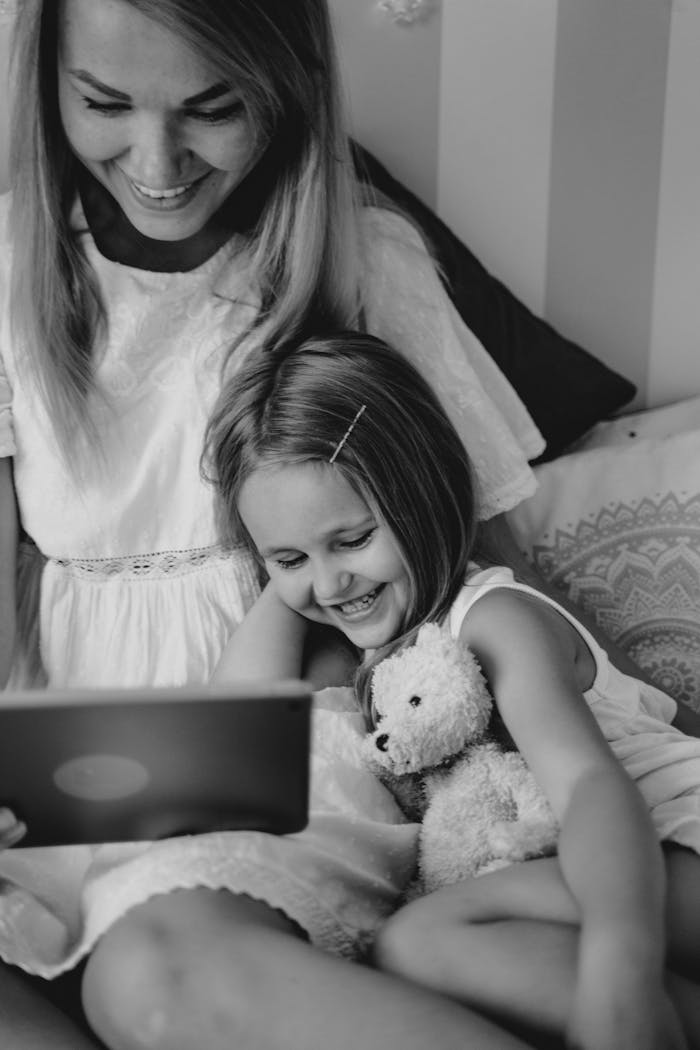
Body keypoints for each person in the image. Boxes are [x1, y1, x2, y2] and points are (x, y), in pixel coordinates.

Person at [0, 0, 562, 1046]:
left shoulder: (366, 262)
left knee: (156, 975)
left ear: (284, 87)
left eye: (211, 108)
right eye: (104, 104)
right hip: (59, 758)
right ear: (48, 93)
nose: (157, 159)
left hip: (295, 750)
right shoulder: (8, 274)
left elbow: (481, 564)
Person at [209, 330, 700, 1050]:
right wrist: (295, 574)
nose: (329, 582)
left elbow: (592, 785)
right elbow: (236, 730)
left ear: (423, 497)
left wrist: (616, 964)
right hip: (627, 868)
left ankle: (629, 1006)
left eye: (351, 540)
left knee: (420, 942)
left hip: (664, 843)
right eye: (288, 557)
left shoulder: (494, 619)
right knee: (416, 947)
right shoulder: (368, 651)